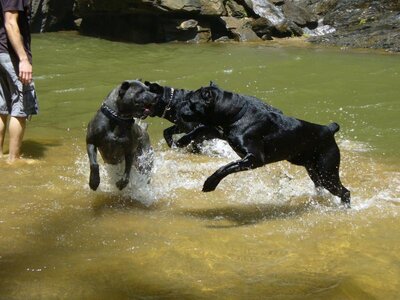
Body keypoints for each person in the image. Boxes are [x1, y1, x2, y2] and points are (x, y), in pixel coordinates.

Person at [0, 0, 38, 163]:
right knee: (20, 106)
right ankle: (14, 159)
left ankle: (1, 156)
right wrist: (23, 59)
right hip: (10, 54)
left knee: (1, 107)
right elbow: (10, 22)